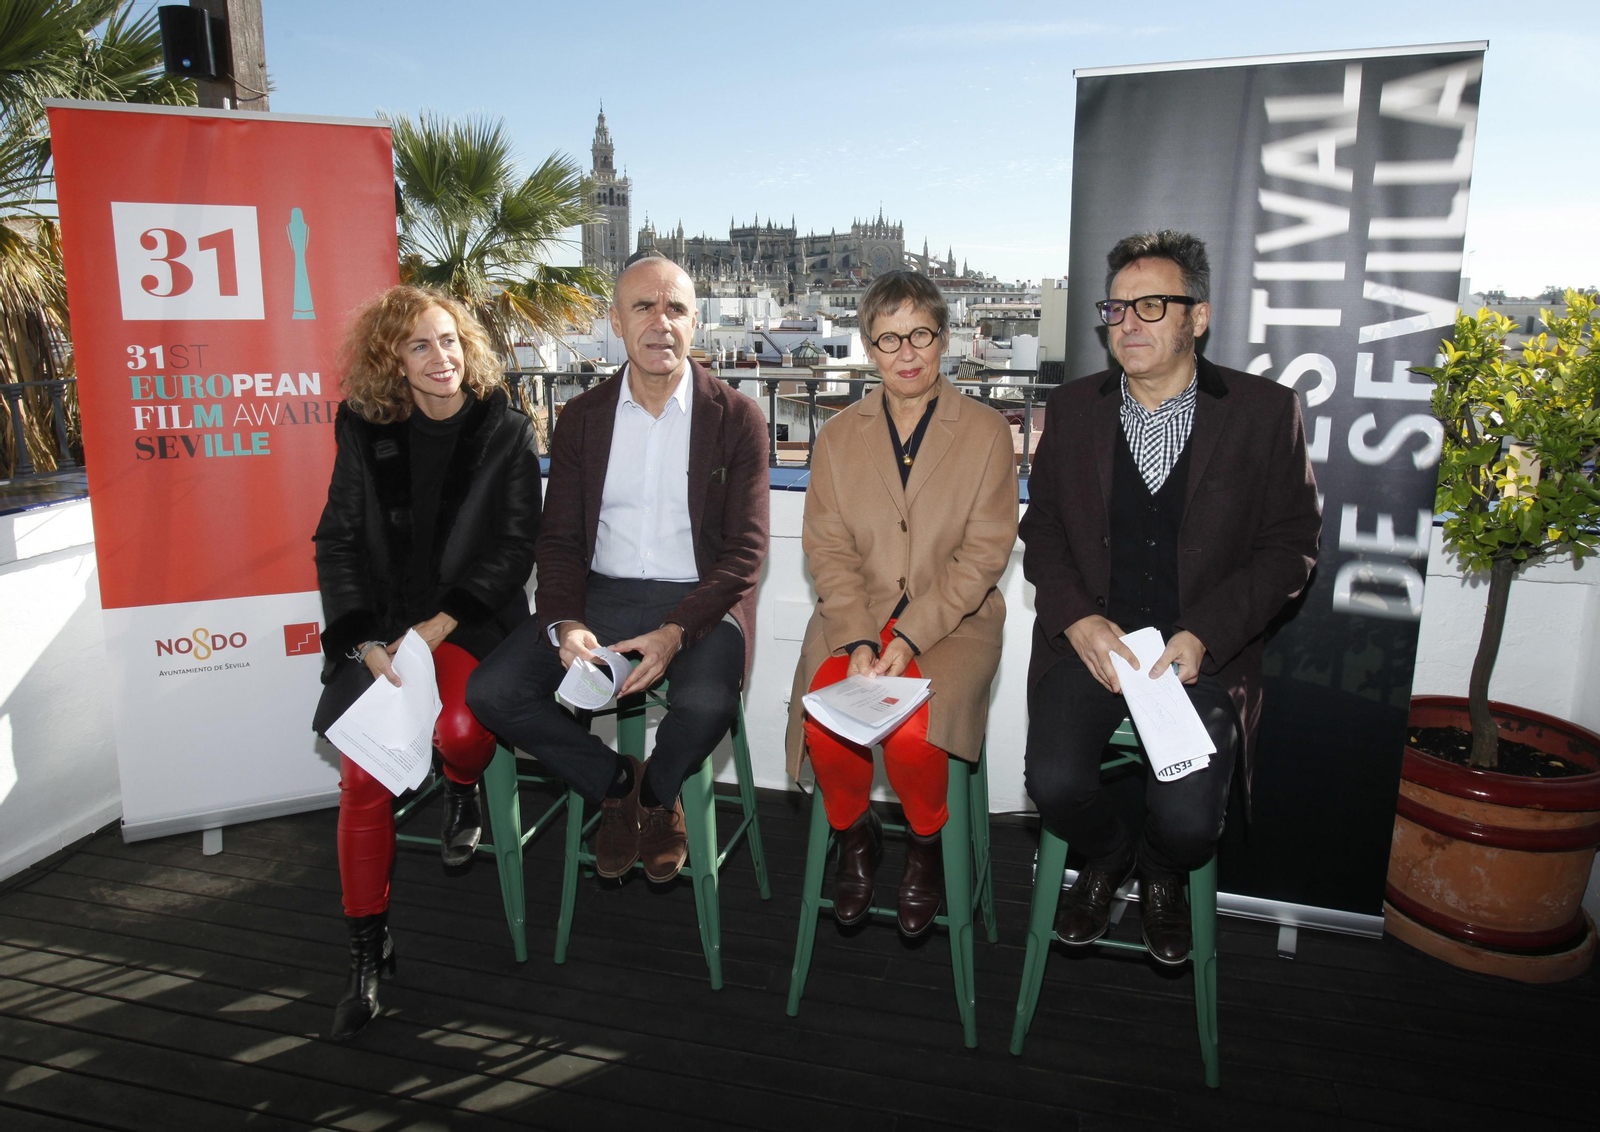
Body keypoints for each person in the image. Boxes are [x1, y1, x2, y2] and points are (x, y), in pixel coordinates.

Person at [1020, 230, 1320, 963]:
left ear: (1199, 317)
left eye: (1152, 305)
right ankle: (1111, 856)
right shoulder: (1073, 408)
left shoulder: (1263, 412)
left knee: (1189, 827)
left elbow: (1291, 545)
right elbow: (1045, 531)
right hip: (1093, 649)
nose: (1130, 324)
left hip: (1202, 659)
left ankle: (1159, 873)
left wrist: (1205, 634)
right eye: (1116, 309)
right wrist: (1080, 621)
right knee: (1053, 785)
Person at [467, 255, 769, 886]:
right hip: (601, 594)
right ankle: (613, 783)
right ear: (615, 320)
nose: (661, 322)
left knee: (708, 701)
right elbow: (559, 541)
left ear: (697, 323)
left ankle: (658, 795)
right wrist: (567, 623)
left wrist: (675, 632)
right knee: (492, 692)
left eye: (677, 308)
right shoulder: (582, 419)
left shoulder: (737, 417)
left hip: (700, 597)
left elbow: (744, 552)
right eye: (643, 307)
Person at [312, 285, 541, 1040]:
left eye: (449, 341)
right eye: (420, 346)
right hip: (380, 633)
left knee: (465, 730)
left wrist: (440, 626)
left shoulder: (504, 428)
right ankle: (365, 954)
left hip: (469, 621)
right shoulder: (364, 427)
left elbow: (514, 549)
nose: (441, 358)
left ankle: (464, 787)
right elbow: (339, 539)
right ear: (393, 360)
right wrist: (363, 640)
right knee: (361, 777)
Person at [786, 270, 1018, 937]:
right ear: (868, 347)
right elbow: (827, 549)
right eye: (888, 340)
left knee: (917, 739)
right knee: (827, 724)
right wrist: (859, 635)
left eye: (920, 334)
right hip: (855, 615)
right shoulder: (837, 437)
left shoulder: (984, 432)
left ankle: (925, 846)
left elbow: (983, 555)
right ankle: (856, 836)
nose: (907, 353)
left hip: (955, 621)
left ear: (946, 337)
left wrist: (910, 637)